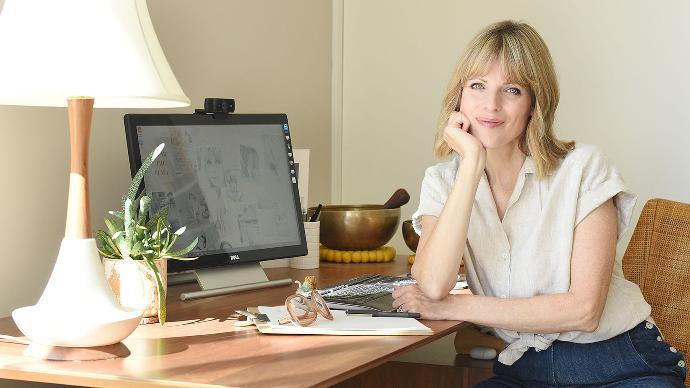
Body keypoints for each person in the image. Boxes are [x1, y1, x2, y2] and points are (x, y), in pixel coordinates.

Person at [392, 20, 687, 387]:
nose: (491, 105)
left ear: (534, 102)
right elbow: (433, 285)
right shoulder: (443, 181)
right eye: (477, 86)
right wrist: (471, 166)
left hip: (622, 364)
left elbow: (584, 310)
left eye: (512, 90)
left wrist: (455, 307)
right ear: (459, 96)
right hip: (525, 369)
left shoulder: (584, 168)